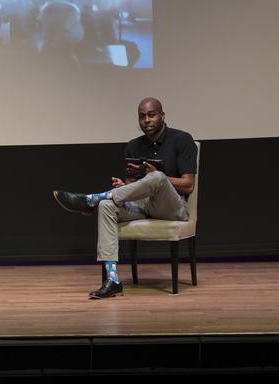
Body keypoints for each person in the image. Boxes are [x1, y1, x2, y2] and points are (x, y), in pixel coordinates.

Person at [52, 97, 199, 299]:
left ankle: (90, 200)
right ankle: (112, 281)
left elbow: (189, 185)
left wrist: (159, 176)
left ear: (162, 116)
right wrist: (124, 187)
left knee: (156, 176)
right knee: (106, 206)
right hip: (142, 205)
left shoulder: (182, 140)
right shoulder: (133, 146)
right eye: (141, 117)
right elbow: (134, 187)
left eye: (151, 115)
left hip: (173, 209)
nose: (146, 120)